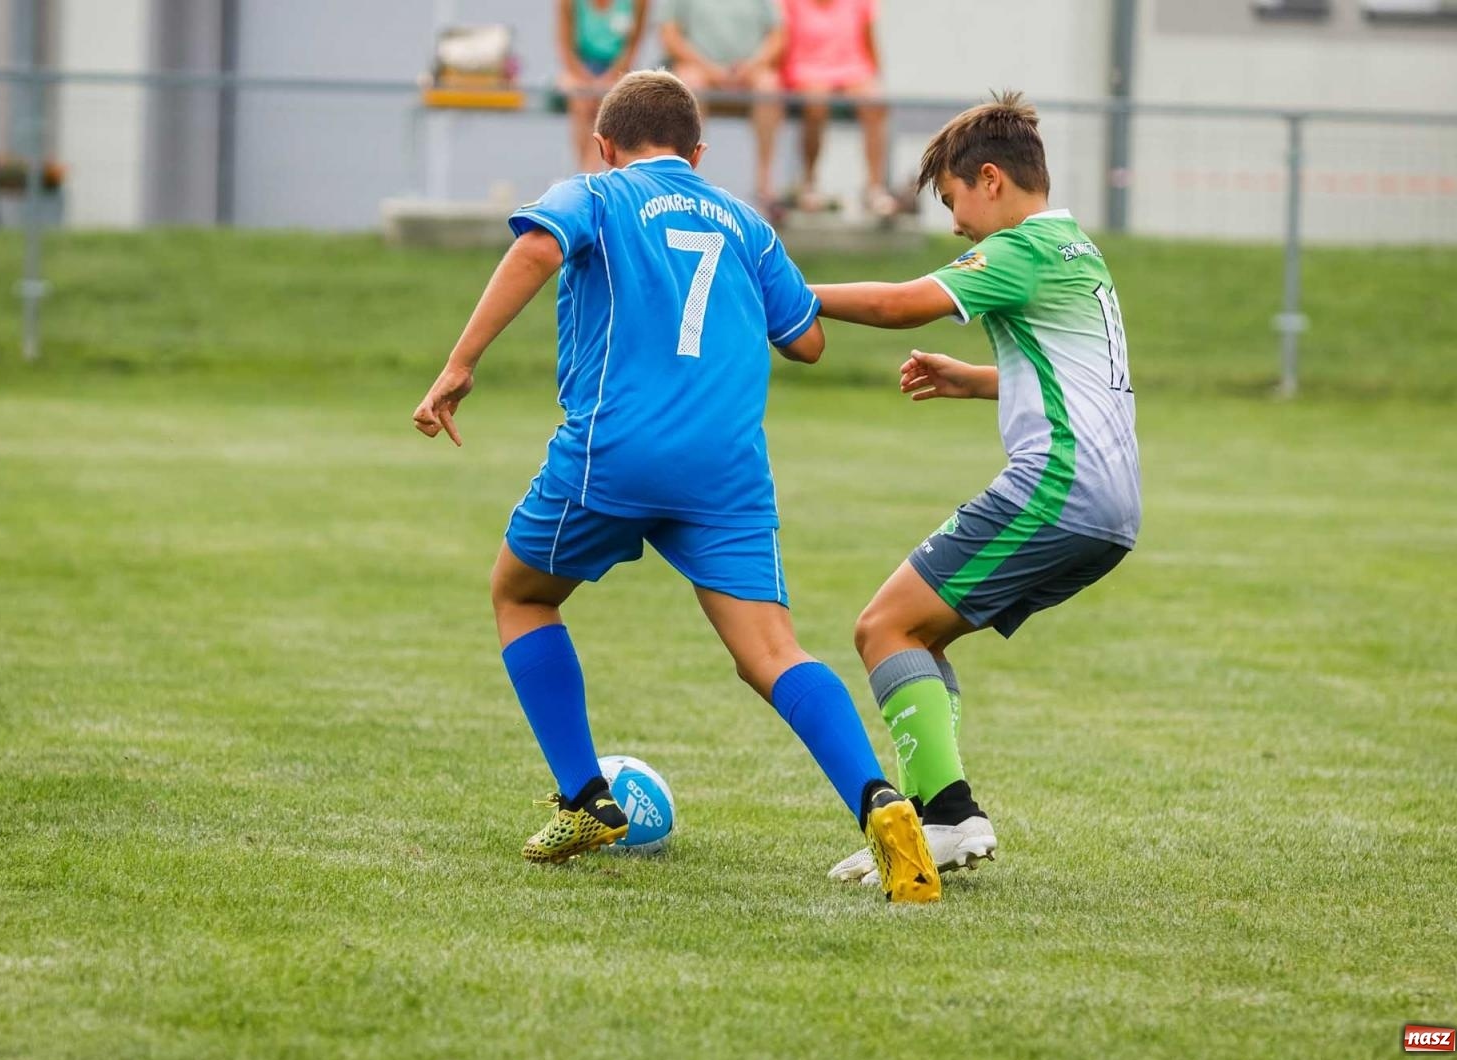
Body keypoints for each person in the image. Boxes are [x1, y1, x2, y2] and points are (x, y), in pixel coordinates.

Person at [412, 70, 939, 904]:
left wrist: (460, 363)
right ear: (699, 153)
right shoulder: (745, 222)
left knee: (521, 596)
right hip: (724, 470)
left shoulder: (597, 193)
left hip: (614, 453)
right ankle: (880, 802)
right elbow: (805, 344)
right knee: (772, 653)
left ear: (604, 144)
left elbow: (537, 245)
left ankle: (586, 800)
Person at [808, 93, 1141, 883]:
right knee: (915, 634)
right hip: (1110, 506)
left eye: (953, 202)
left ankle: (952, 816)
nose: (954, 224)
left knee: (882, 627)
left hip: (1057, 489)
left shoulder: (1020, 249)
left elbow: (898, 304)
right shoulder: (1076, 250)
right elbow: (1082, 378)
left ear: (990, 180)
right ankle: (939, 816)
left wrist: (782, 292)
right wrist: (982, 379)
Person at [658, 0, 785, 213]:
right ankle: (680, 178)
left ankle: (765, 187)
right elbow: (670, 35)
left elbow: (778, 36)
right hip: (698, 70)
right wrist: (710, 69)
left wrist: (750, 67)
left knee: (769, 86)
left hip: (750, 73)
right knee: (689, 84)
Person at [779, 0, 896, 217]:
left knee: (874, 101)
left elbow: (870, 43)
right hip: (806, 69)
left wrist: (875, 78)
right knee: (816, 102)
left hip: (853, 70)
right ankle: (809, 182)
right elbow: (781, 39)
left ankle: (874, 188)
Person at [557, 0, 650, 173]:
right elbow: (565, 46)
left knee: (607, 102)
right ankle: (589, 173)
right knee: (581, 100)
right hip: (580, 70)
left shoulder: (639, 3)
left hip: (618, 70)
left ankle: (592, 174)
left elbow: (633, 47)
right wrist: (585, 78)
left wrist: (610, 77)